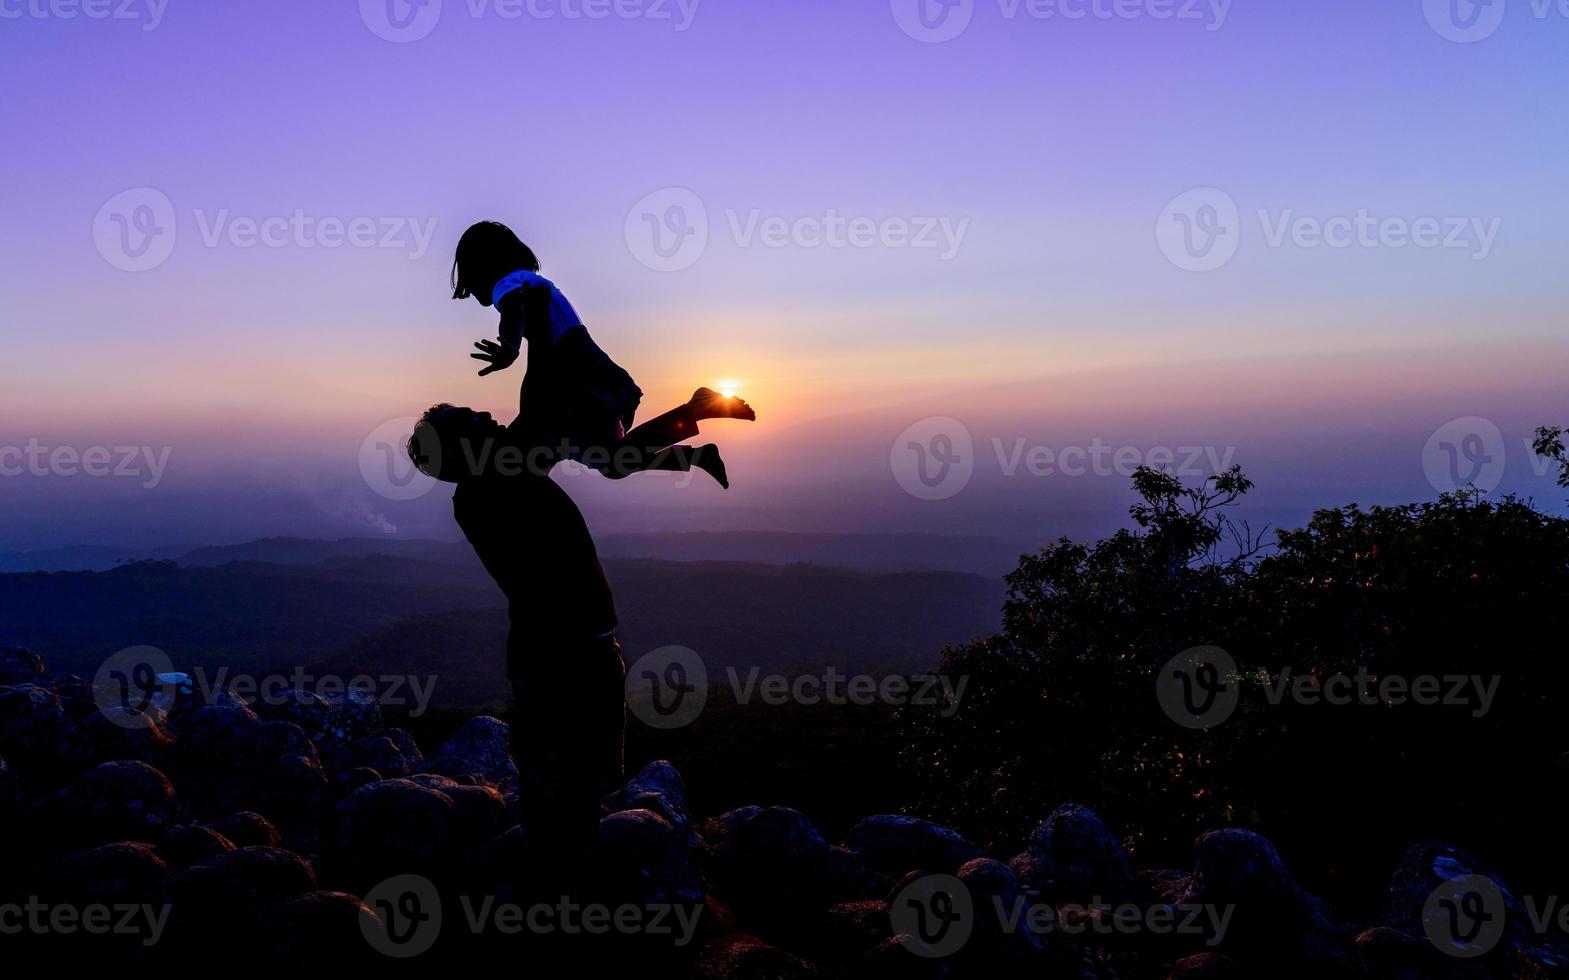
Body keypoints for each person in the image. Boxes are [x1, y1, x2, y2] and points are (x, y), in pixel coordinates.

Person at [406, 404, 624, 855]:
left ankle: (558, 886)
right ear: (464, 446)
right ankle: (565, 895)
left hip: (559, 651)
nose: (488, 412)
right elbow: (566, 414)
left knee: (568, 782)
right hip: (567, 656)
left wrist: (690, 413)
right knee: (573, 782)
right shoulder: (496, 482)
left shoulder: (489, 484)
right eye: (473, 418)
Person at [451, 220, 755, 487]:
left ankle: (696, 413)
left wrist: (509, 348)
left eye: (470, 282)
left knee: (612, 460)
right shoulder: (533, 281)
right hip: (586, 370)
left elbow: (514, 313)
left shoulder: (508, 285)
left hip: (577, 378)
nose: (475, 294)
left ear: (482, 267)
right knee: (611, 461)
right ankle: (695, 443)